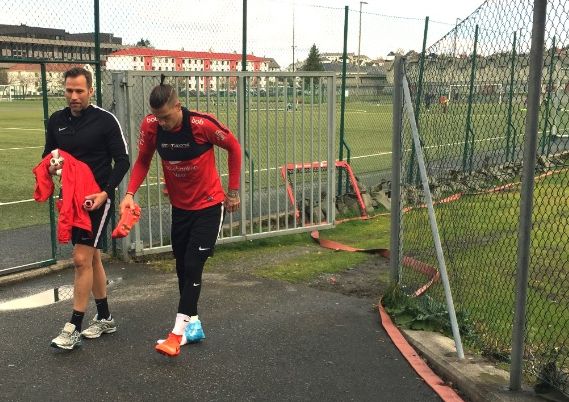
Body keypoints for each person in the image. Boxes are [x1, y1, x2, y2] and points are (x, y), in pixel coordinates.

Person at [119, 80, 242, 357]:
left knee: (193, 264)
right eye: (157, 117)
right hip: (181, 208)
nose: (161, 123)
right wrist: (129, 194)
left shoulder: (201, 125)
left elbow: (234, 147)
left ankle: (176, 335)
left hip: (209, 206)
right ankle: (193, 325)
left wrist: (233, 192)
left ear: (178, 106)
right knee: (182, 267)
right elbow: (143, 160)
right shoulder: (151, 125)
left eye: (166, 117)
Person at [43, 67, 130, 350]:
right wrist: (52, 167)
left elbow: (123, 161)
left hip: (97, 200)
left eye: (79, 91)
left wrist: (105, 193)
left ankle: (73, 328)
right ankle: (105, 317)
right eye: (69, 90)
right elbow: (48, 156)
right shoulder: (56, 121)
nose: (74, 96)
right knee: (91, 259)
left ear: (91, 91)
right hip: (71, 200)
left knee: (81, 259)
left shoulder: (105, 121)